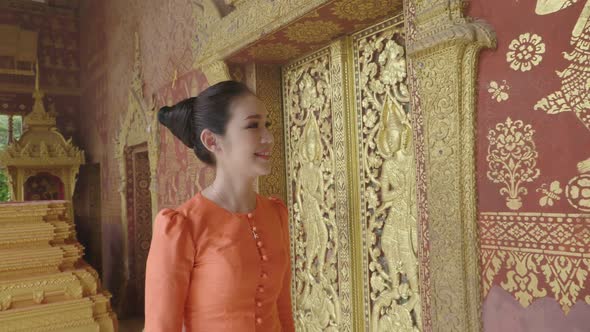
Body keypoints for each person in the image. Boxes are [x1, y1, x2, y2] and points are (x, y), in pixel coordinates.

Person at [144, 81, 295, 332]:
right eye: (253, 125)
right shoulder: (182, 227)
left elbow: (283, 310)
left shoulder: (276, 214)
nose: (269, 137)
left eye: (267, 125)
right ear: (212, 141)